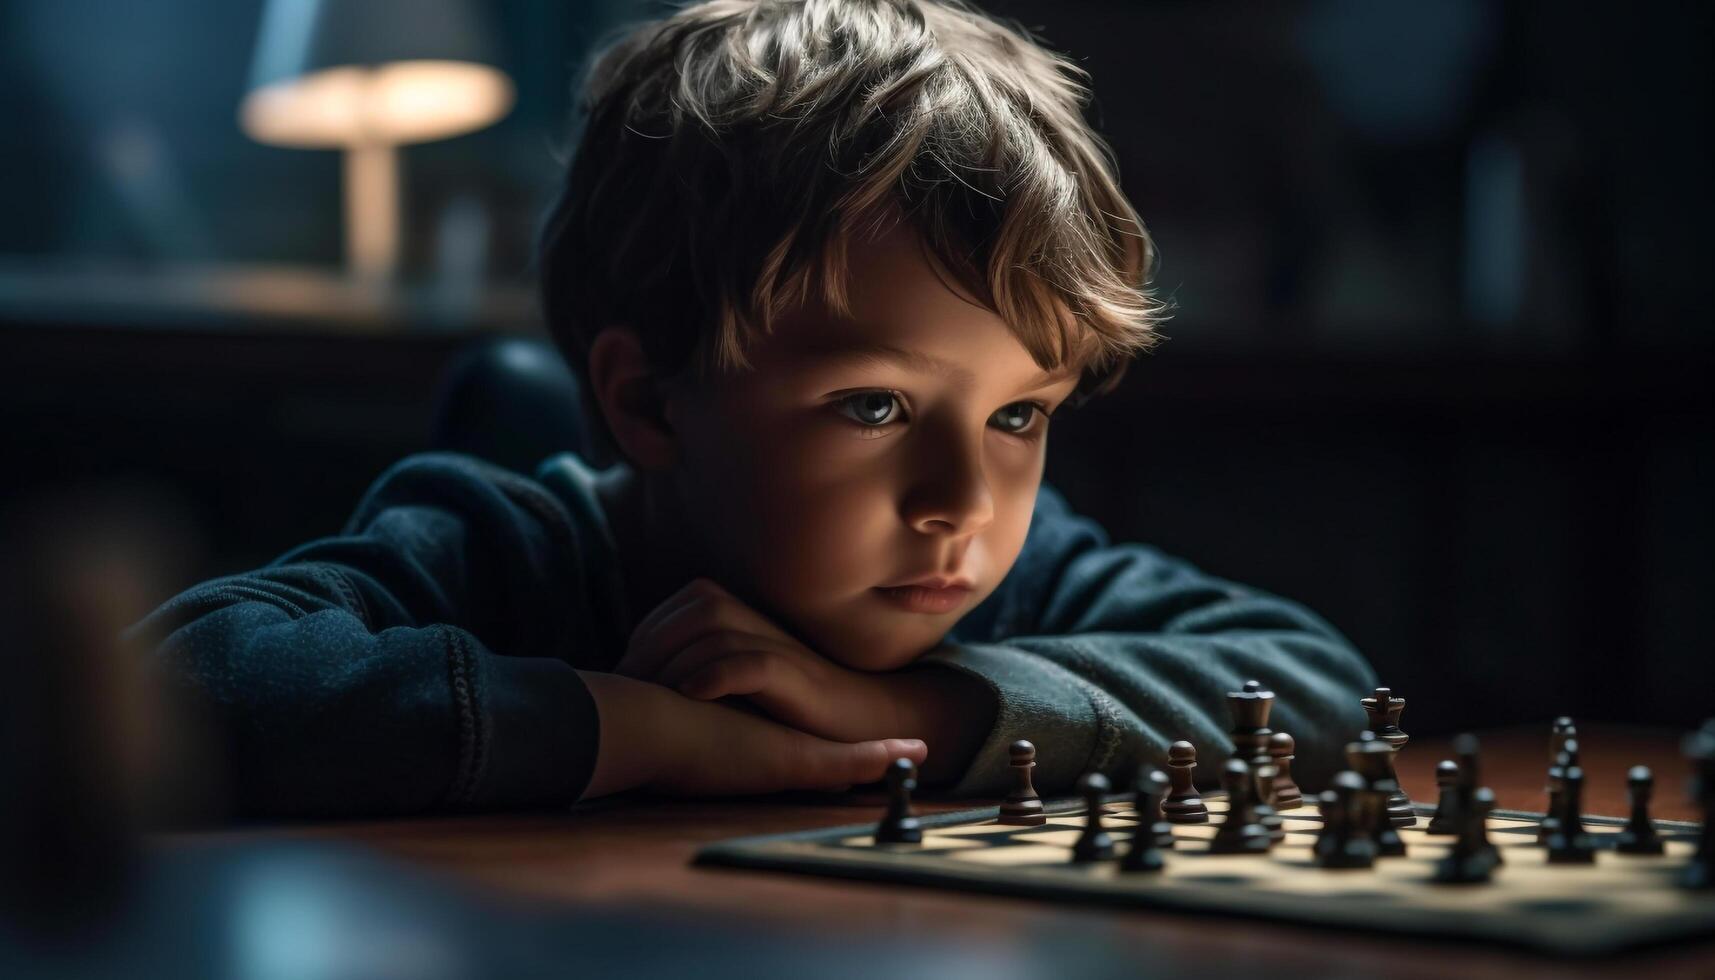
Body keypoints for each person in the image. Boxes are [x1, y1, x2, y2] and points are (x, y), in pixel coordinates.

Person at [128, 0, 1375, 817]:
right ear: (644, 401)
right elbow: (180, 681)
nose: (961, 504)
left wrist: (914, 712)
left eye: (1016, 415)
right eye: (876, 405)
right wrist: (643, 731)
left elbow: (1313, 682)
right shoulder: (507, 547)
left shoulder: (1007, 578)